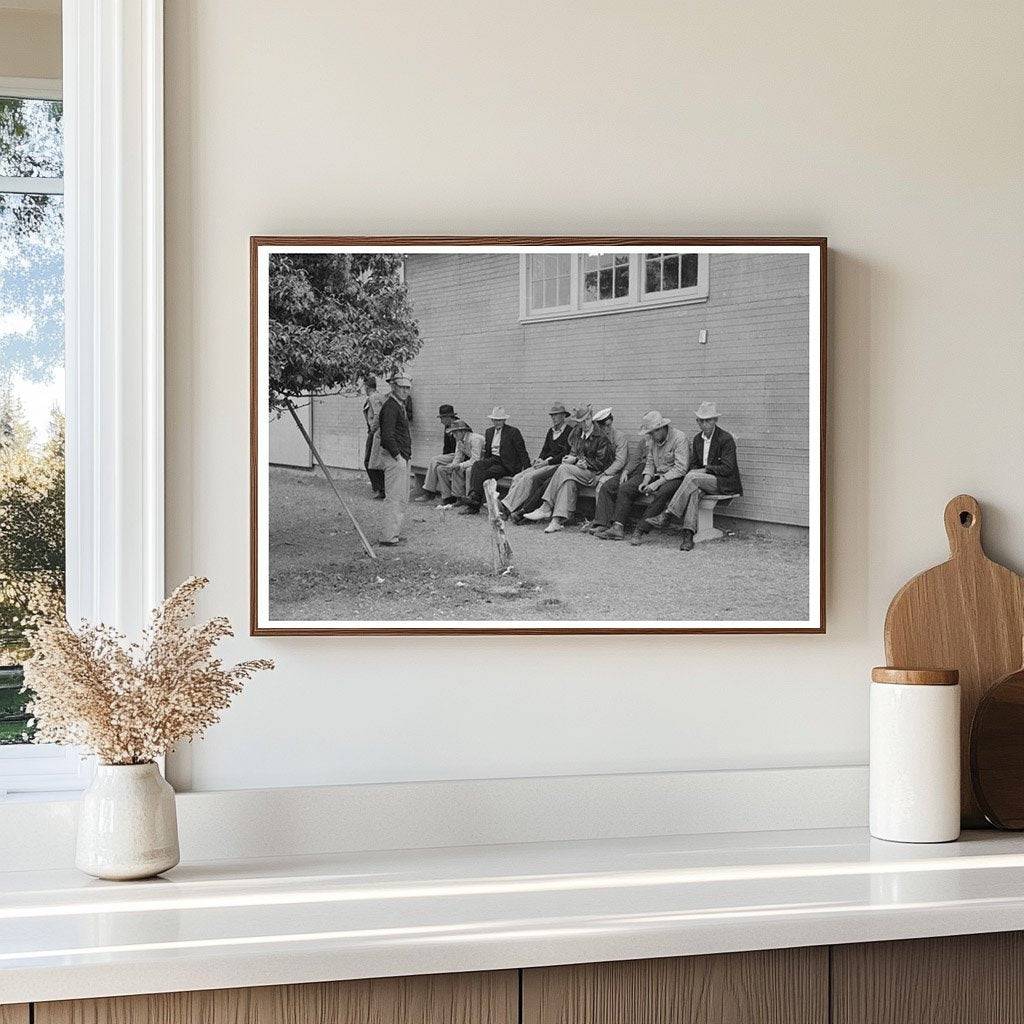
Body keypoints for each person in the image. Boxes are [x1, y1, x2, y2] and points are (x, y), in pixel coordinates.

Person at [644, 401, 743, 550]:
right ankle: (688, 535)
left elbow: (728, 468)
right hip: (700, 481)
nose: (705, 424)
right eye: (701, 420)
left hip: (723, 482)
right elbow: (694, 465)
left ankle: (668, 514)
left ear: (715, 420)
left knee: (691, 477)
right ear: (697, 422)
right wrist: (698, 471)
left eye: (708, 420)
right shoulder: (697, 439)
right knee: (694, 490)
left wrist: (706, 470)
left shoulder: (725, 439)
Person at [597, 411, 689, 545]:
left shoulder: (679, 438)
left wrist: (656, 484)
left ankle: (639, 530)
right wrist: (645, 481)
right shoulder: (652, 440)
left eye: (652, 432)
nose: (650, 436)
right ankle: (617, 527)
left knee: (662, 493)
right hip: (656, 474)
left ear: (662, 428)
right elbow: (650, 463)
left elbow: (681, 469)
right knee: (626, 487)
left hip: (674, 476)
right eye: (649, 433)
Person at [522, 406, 615, 533]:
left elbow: (602, 463)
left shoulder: (601, 437)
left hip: (594, 473)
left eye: (587, 420)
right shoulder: (578, 433)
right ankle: (556, 521)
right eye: (581, 421)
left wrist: (582, 463)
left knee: (563, 469)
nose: (584, 424)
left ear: (591, 418)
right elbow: (574, 451)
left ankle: (546, 506)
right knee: (567, 482)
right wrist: (571, 458)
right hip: (577, 471)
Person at [501, 402, 572, 522]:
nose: (553, 418)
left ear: (563, 416)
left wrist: (546, 463)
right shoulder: (551, 431)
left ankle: (506, 507)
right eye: (552, 416)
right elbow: (545, 449)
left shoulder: (569, 432)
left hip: (555, 464)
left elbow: (565, 454)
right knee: (518, 477)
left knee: (529, 477)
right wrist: (539, 459)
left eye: (556, 415)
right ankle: (511, 509)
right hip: (545, 462)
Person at [460, 407, 530, 514]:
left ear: (504, 420)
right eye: (495, 420)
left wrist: (527, 469)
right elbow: (488, 452)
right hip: (493, 459)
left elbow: (522, 451)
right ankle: (474, 496)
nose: (497, 422)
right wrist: (485, 462)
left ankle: (474, 504)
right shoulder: (489, 432)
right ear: (492, 420)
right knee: (477, 465)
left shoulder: (513, 432)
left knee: (486, 473)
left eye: (500, 420)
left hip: (506, 463)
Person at [377, 375, 413, 546]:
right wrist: (398, 457)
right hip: (395, 458)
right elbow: (387, 436)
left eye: (408, 388)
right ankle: (388, 536)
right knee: (394, 497)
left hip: (402, 457)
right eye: (402, 387)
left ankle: (394, 533)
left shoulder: (399, 405)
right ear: (393, 387)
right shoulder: (391, 407)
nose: (405, 391)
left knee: (402, 497)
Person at [585, 408, 629, 533]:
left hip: (618, 473)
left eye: (609, 425)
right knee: (593, 480)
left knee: (602, 485)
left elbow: (620, 462)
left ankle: (603, 522)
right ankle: (598, 520)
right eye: (604, 426)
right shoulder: (596, 437)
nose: (607, 429)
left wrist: (603, 474)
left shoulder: (619, 437)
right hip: (601, 471)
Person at [413, 404, 459, 502]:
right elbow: (446, 447)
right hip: (452, 456)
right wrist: (444, 459)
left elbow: (461, 449)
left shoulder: (458, 425)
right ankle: (447, 497)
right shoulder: (448, 426)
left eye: (442, 418)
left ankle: (429, 492)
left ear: (448, 417)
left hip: (460, 456)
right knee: (439, 467)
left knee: (434, 460)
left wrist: (449, 460)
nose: (441, 421)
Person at [435, 420, 484, 507]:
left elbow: (476, 459)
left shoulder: (475, 439)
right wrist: (453, 465)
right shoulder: (459, 440)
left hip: (483, 462)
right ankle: (451, 497)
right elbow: (458, 456)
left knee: (468, 470)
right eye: (453, 433)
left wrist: (459, 465)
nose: (454, 436)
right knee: (441, 469)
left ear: (463, 431)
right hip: (473, 461)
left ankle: (470, 499)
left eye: (456, 433)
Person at [362, 378, 387, 499]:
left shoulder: (374, 397)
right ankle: (380, 488)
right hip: (376, 431)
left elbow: (377, 414)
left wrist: (373, 430)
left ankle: (379, 488)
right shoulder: (378, 396)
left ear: (367, 387)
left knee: (369, 460)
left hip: (376, 432)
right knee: (375, 460)